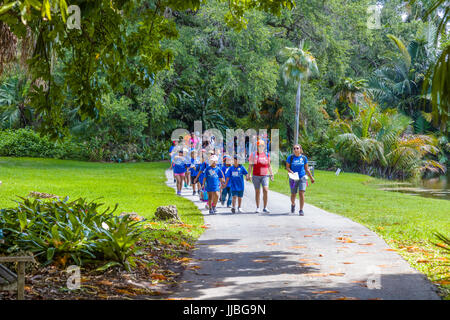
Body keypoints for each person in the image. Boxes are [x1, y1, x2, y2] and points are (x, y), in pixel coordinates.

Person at [286, 144, 315, 216]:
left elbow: (306, 169)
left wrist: (311, 178)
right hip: (293, 177)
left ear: (300, 150)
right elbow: (287, 167)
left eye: (297, 148)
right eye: (294, 148)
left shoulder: (304, 158)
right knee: (293, 194)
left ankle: (301, 210)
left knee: (301, 193)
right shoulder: (290, 157)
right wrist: (291, 172)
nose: (295, 150)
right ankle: (293, 204)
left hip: (302, 177)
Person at [247, 139, 274, 213]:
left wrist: (271, 174)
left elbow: (269, 165)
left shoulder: (267, 154)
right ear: (257, 146)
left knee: (265, 190)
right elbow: (250, 166)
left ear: (264, 146)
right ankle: (258, 207)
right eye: (259, 146)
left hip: (264, 175)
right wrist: (249, 175)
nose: (260, 147)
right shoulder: (253, 154)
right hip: (256, 175)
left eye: (262, 146)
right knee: (257, 191)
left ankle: (265, 207)